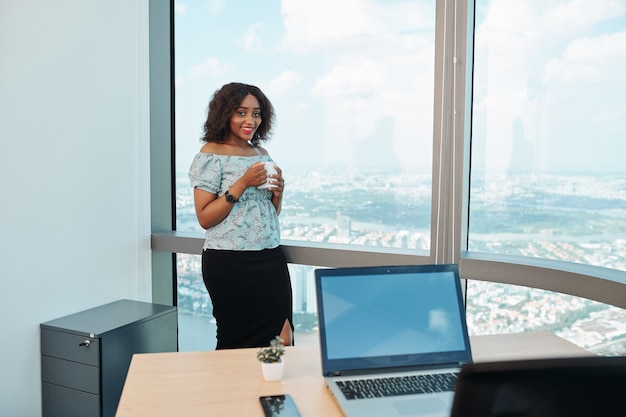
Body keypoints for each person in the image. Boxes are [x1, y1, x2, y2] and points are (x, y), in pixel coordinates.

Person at [188, 82, 293, 349]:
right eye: (241, 112)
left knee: (283, 336)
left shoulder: (262, 154)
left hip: (270, 256)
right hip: (229, 261)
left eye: (256, 113)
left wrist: (277, 194)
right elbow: (205, 217)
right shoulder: (210, 154)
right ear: (225, 114)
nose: (250, 120)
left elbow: (270, 212)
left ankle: (273, 391)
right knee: (235, 341)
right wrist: (242, 182)